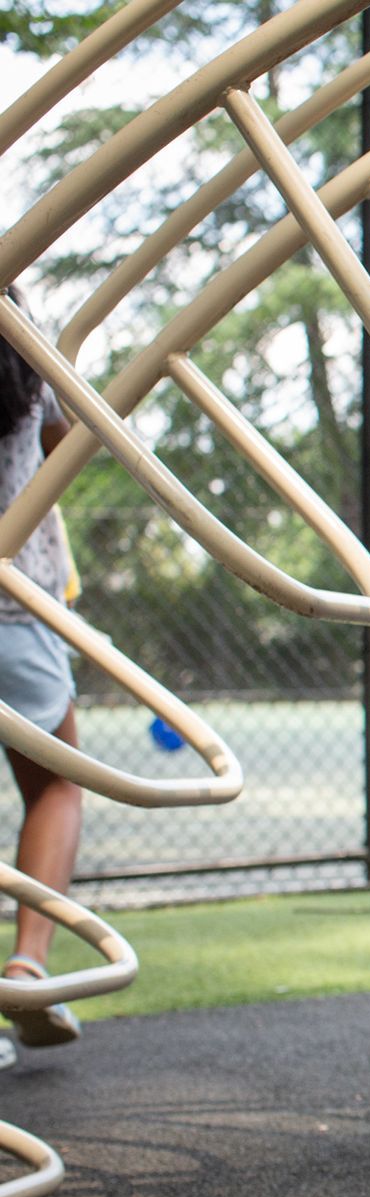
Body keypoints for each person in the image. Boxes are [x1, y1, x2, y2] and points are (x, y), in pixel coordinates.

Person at [0, 284, 85, 1050]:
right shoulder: (24, 348)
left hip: (24, 604)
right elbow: (70, 436)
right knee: (56, 782)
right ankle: (28, 965)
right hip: (16, 605)